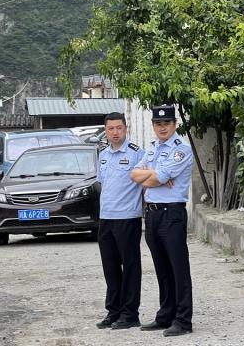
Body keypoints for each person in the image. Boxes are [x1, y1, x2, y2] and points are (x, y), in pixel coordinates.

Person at [130, 104, 194, 337]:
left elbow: (154, 178)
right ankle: (166, 315)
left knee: (178, 268)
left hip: (172, 213)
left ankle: (183, 320)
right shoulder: (152, 147)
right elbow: (135, 176)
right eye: (158, 123)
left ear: (174, 125)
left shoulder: (181, 149)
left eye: (166, 123)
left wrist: (152, 175)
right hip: (153, 213)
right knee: (162, 269)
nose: (162, 127)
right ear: (154, 126)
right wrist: (153, 174)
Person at [95, 112, 145, 330]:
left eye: (119, 128)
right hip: (106, 218)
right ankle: (113, 311)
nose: (115, 132)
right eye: (111, 129)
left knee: (131, 267)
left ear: (126, 129)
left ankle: (130, 313)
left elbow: (149, 179)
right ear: (105, 131)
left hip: (128, 218)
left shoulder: (137, 154)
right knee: (110, 267)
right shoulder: (103, 155)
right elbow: (102, 184)